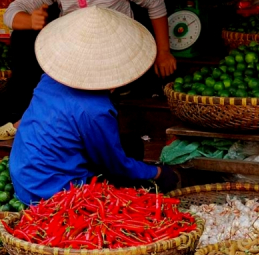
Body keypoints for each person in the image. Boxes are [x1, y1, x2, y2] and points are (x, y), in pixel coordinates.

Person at [9, 6, 179, 205]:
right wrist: (158, 172)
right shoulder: (96, 110)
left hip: (24, 178)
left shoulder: (48, 80)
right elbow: (115, 165)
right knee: (143, 191)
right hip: (54, 194)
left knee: (131, 145)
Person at [0, 0, 176, 140]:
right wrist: (30, 20)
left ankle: (32, 121)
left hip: (115, 49)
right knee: (22, 38)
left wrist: (164, 52)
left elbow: (156, 4)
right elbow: (11, 13)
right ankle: (30, 117)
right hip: (75, 50)